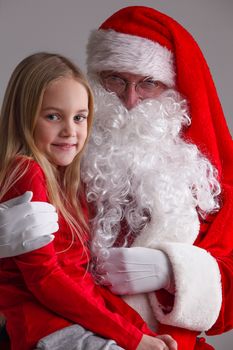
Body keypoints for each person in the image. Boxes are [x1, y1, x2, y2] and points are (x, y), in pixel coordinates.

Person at [1, 5, 233, 350]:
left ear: (173, 91)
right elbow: (46, 278)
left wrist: (174, 271)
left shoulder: (200, 176)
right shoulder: (59, 160)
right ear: (96, 79)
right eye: (116, 80)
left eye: (149, 83)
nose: (129, 99)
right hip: (73, 327)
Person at [0, 52, 177, 350]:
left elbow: (80, 279)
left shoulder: (63, 179)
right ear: (24, 115)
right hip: (47, 326)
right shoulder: (26, 172)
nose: (70, 131)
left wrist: (139, 330)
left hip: (70, 322)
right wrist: (135, 339)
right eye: (53, 116)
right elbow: (48, 280)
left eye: (79, 117)